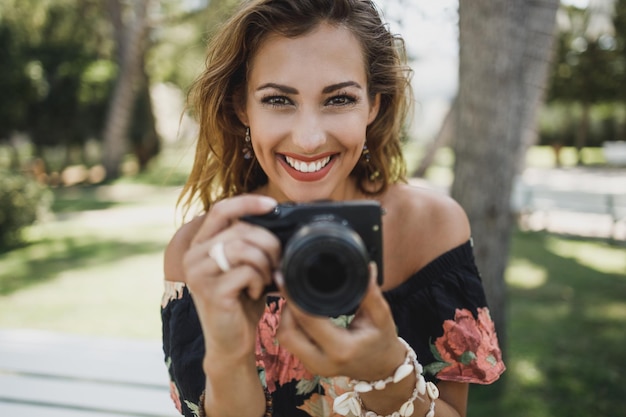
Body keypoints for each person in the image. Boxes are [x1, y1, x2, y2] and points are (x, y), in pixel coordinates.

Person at [161, 0, 506, 416]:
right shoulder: (202, 253)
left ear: (373, 105)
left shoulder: (429, 227)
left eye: (339, 99)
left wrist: (386, 374)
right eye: (277, 100)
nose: (308, 139)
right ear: (242, 108)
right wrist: (228, 356)